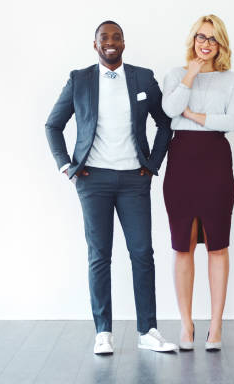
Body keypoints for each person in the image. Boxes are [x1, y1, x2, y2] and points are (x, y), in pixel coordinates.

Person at [45, 20, 177, 354]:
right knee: (99, 256)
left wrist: (153, 164)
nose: (111, 42)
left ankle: (148, 331)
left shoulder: (143, 77)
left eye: (116, 37)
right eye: (104, 38)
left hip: (135, 179)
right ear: (95, 45)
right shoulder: (80, 79)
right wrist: (66, 166)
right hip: (93, 181)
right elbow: (53, 124)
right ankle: (103, 332)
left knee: (142, 254)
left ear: (123, 42)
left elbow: (165, 123)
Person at [161, 14, 234, 351]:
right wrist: (190, 77)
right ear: (193, 40)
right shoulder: (177, 75)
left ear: (220, 43)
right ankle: (186, 324)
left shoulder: (231, 79)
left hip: (215, 163)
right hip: (180, 163)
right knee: (182, 246)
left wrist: (193, 116)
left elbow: (232, 120)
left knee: (217, 245)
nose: (205, 44)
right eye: (200, 37)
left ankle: (216, 325)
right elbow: (169, 110)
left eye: (212, 38)